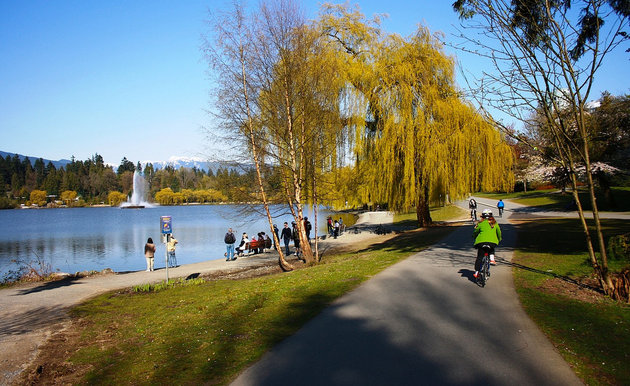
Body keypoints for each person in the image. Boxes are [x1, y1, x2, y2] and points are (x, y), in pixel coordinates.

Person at [472, 209, 502, 279]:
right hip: (492, 242)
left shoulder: (480, 223)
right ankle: (492, 259)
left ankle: (476, 272)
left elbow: (476, 231)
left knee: (479, 257)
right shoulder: (494, 223)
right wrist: (499, 238)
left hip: (481, 243)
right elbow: (499, 232)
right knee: (491, 248)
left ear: (482, 216)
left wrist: (474, 236)